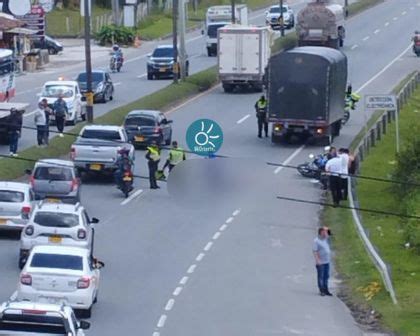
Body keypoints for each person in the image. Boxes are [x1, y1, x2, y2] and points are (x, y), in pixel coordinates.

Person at [313, 227, 332, 296]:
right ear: (321, 232)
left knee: (326, 276)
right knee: (321, 276)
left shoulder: (326, 239)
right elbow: (315, 251)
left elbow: (331, 234)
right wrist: (317, 260)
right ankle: (321, 290)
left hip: (327, 261)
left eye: (326, 232)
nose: (326, 233)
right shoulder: (316, 241)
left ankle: (326, 289)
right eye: (325, 232)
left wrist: (327, 229)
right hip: (321, 262)